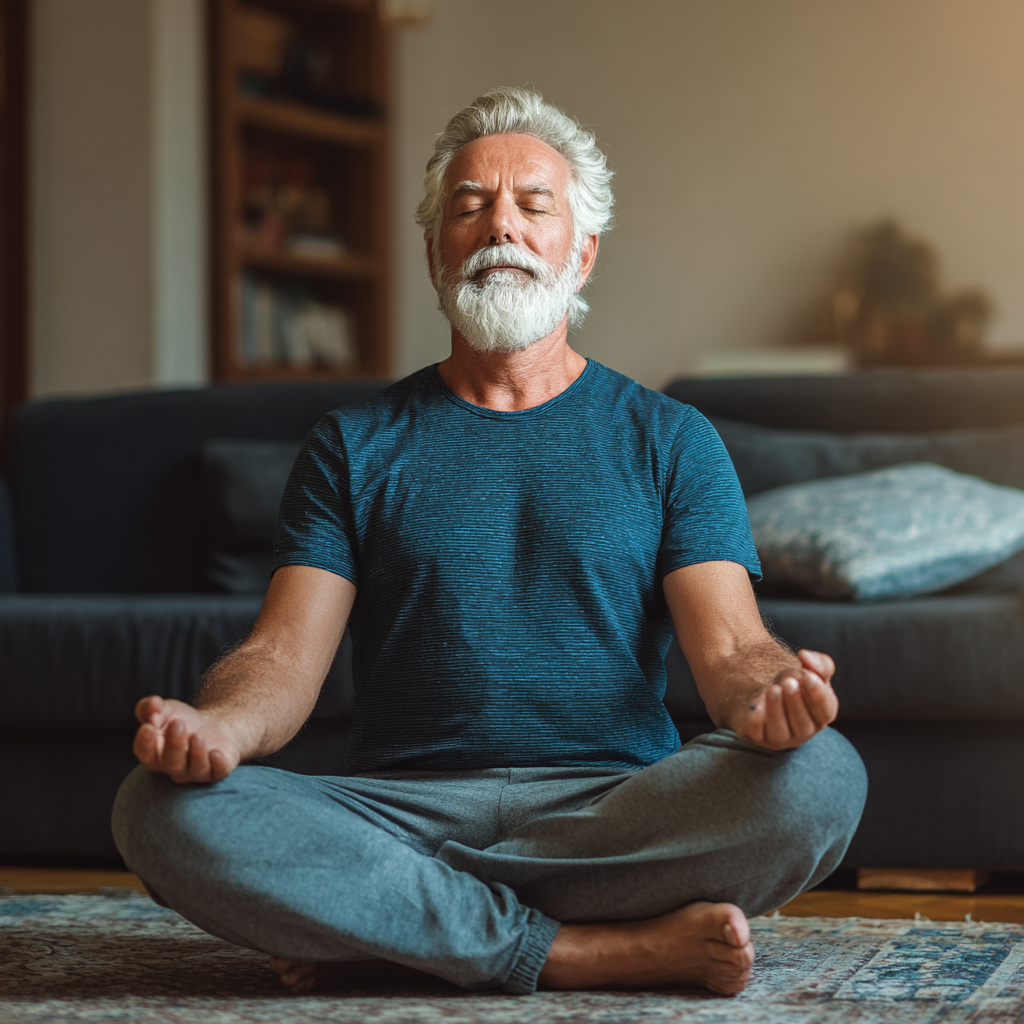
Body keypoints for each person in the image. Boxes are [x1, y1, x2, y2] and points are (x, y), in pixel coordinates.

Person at [113, 87, 866, 997]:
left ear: (581, 254)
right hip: (402, 812)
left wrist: (771, 695)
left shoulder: (672, 438)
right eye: (468, 209)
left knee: (822, 778)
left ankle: (393, 924)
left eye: (532, 206)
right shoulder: (352, 443)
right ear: (437, 255)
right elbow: (281, 657)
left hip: (614, 809)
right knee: (156, 810)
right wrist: (218, 727)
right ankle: (583, 948)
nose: (499, 225)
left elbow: (734, 650)